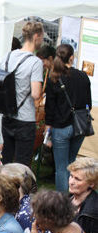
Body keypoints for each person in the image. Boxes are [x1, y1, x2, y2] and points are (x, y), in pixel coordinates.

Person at [45, 44, 92, 192]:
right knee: (72, 164)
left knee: (61, 167)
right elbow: (88, 104)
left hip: (61, 127)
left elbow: (50, 107)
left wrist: (48, 128)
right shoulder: (83, 76)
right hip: (80, 125)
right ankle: (73, 198)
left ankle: (62, 203)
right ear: (72, 57)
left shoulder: (54, 78)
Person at [0, 22, 44, 166]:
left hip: (7, 115)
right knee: (22, 164)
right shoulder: (35, 62)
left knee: (6, 161)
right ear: (36, 36)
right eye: (42, 37)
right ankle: (22, 189)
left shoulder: (8, 56)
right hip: (25, 118)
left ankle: (3, 188)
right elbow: (36, 94)